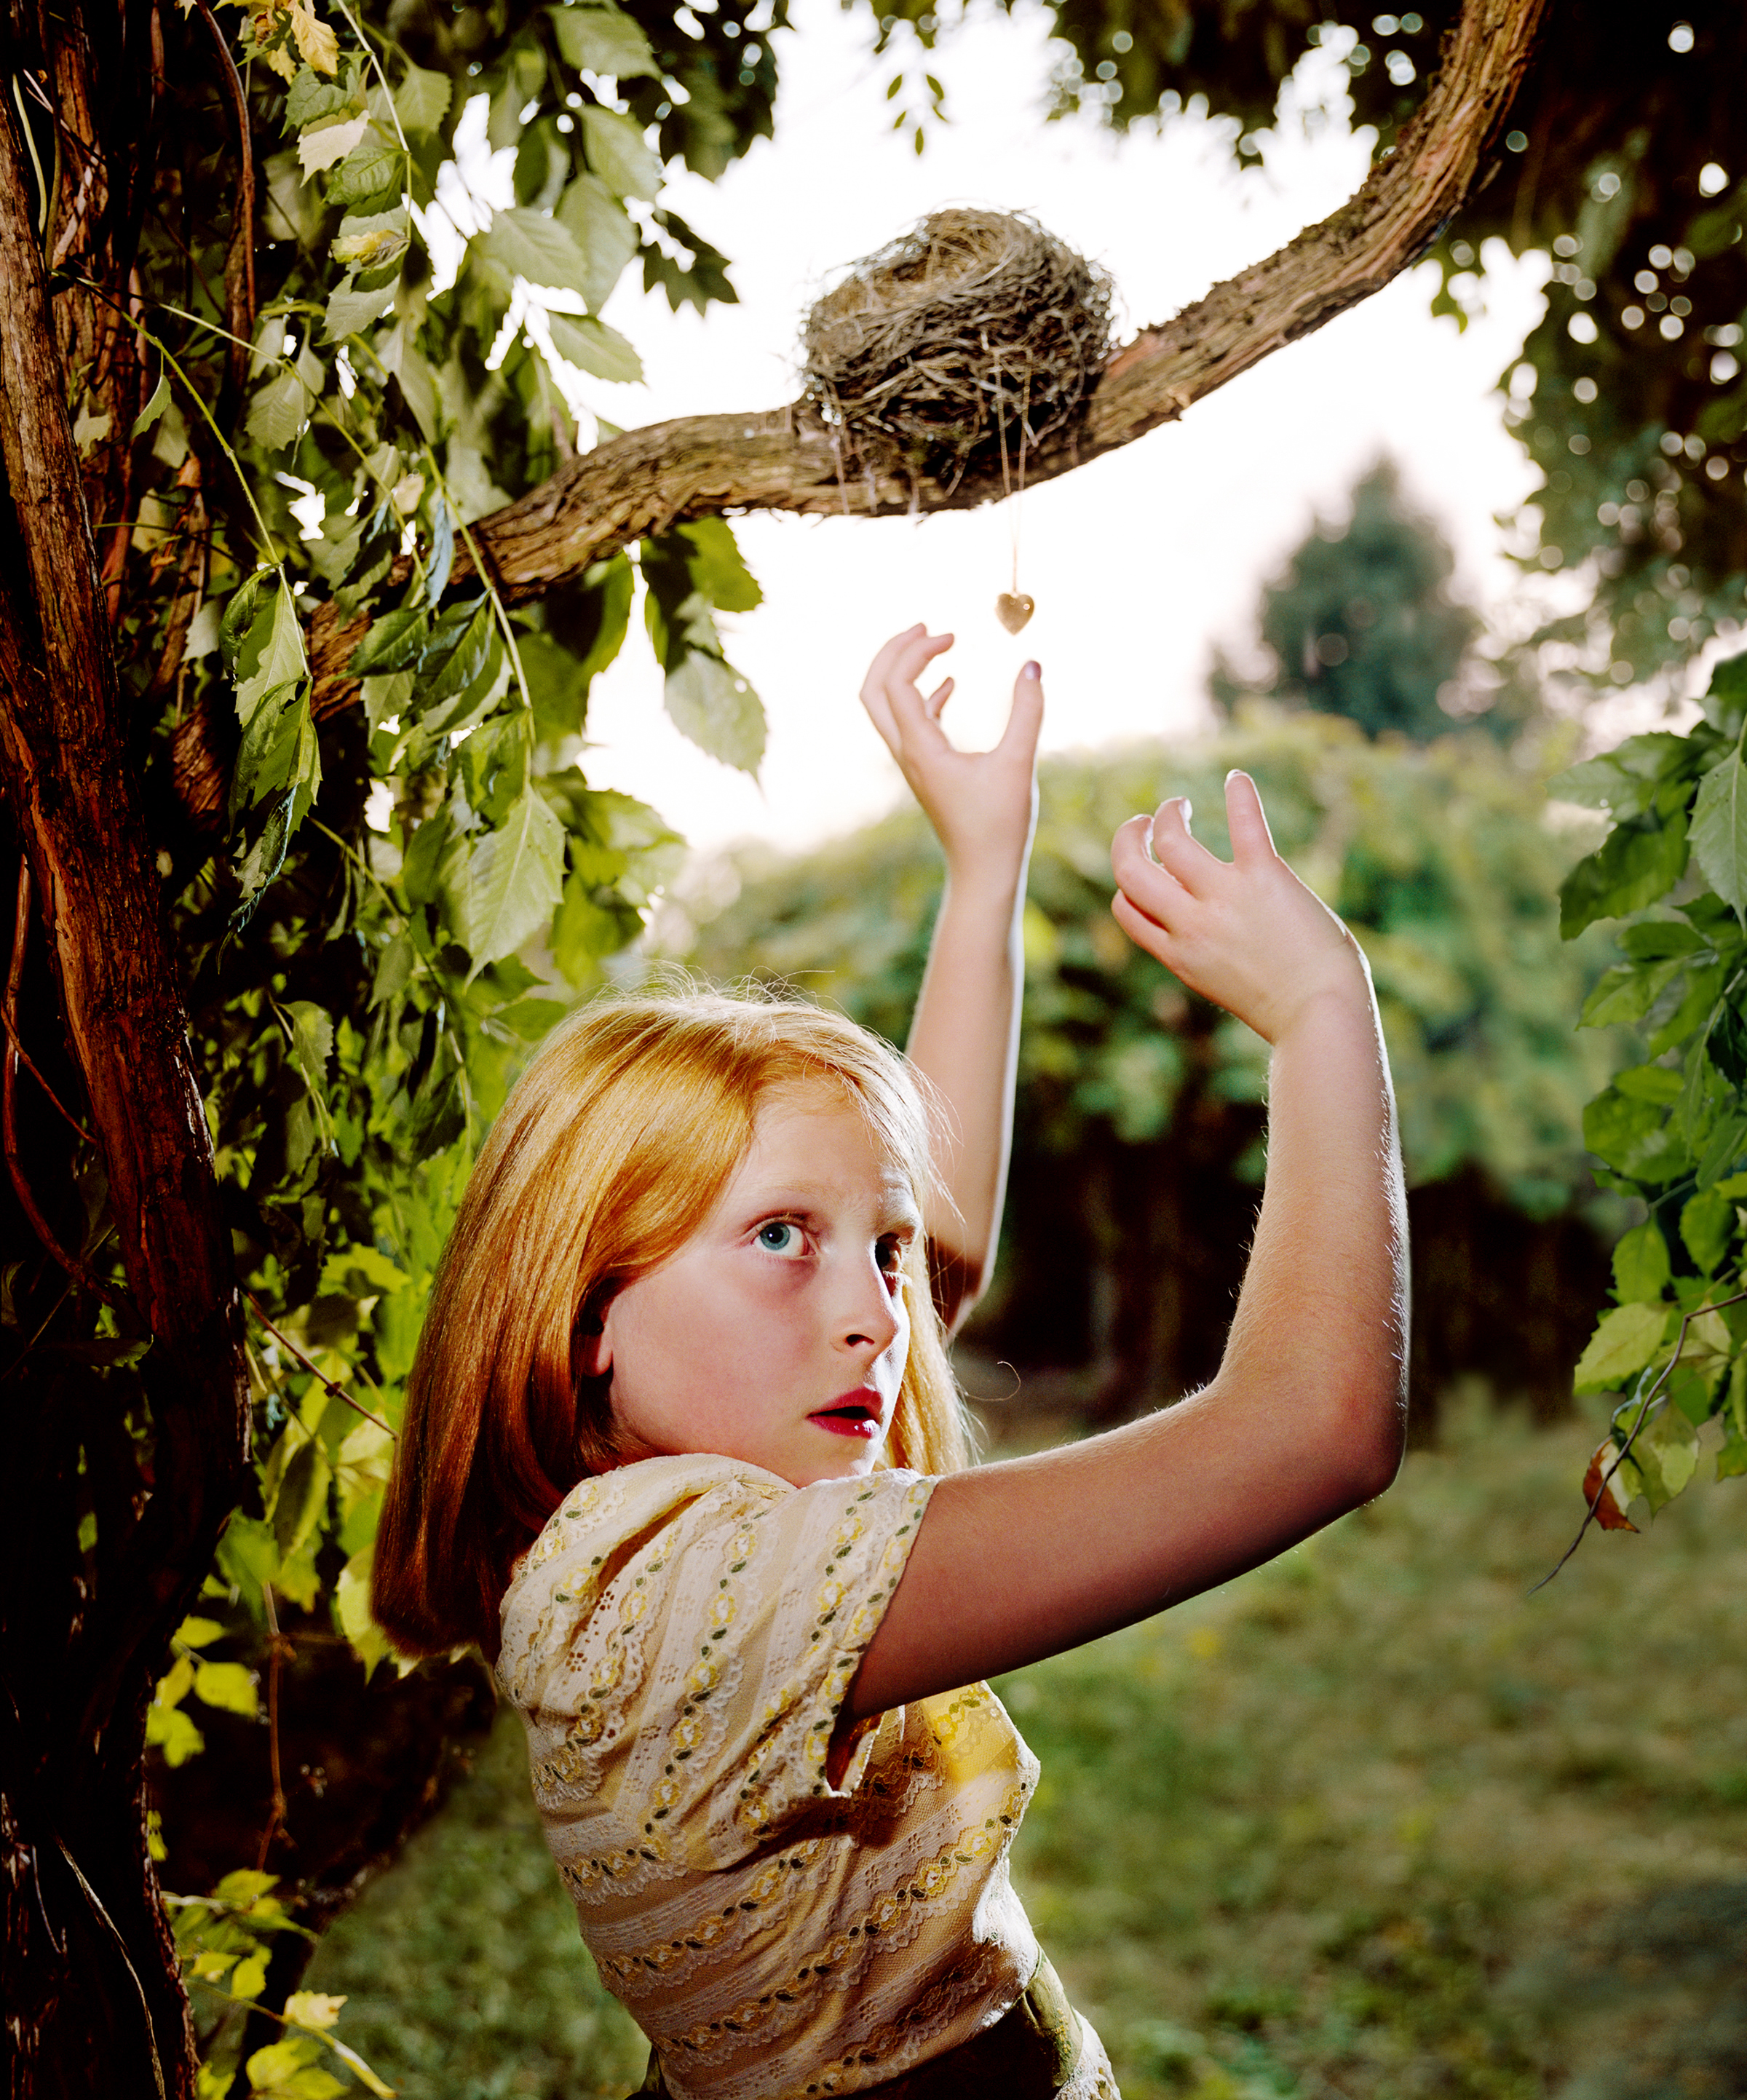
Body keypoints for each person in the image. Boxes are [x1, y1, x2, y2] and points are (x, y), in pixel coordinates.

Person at [373, 623, 1408, 2100]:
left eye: (879, 1248)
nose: (876, 1312)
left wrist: (984, 870)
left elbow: (948, 1245)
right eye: (781, 1237)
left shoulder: (643, 1537)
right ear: (587, 1307)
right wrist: (1320, 1016)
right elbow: (1313, 1431)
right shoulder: (685, 1601)